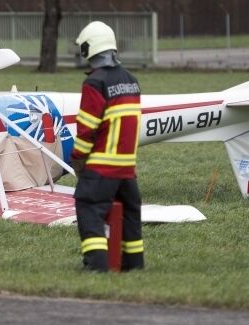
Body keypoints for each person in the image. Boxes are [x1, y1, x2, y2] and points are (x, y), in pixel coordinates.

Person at [70, 21, 144, 272]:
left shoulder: (95, 83)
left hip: (103, 165)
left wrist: (78, 156)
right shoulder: (131, 80)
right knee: (130, 215)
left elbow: (87, 127)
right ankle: (134, 264)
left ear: (89, 48)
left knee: (87, 205)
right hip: (127, 168)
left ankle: (96, 265)